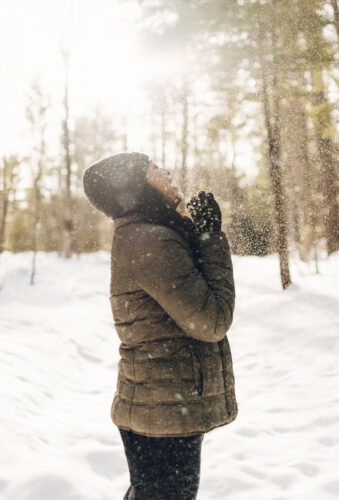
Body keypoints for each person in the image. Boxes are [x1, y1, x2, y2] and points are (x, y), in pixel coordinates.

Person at [83, 151, 238, 500]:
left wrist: (199, 233)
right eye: (153, 169)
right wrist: (212, 237)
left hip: (161, 407)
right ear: (137, 187)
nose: (166, 171)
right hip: (164, 412)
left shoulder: (146, 234)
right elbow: (212, 320)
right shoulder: (150, 240)